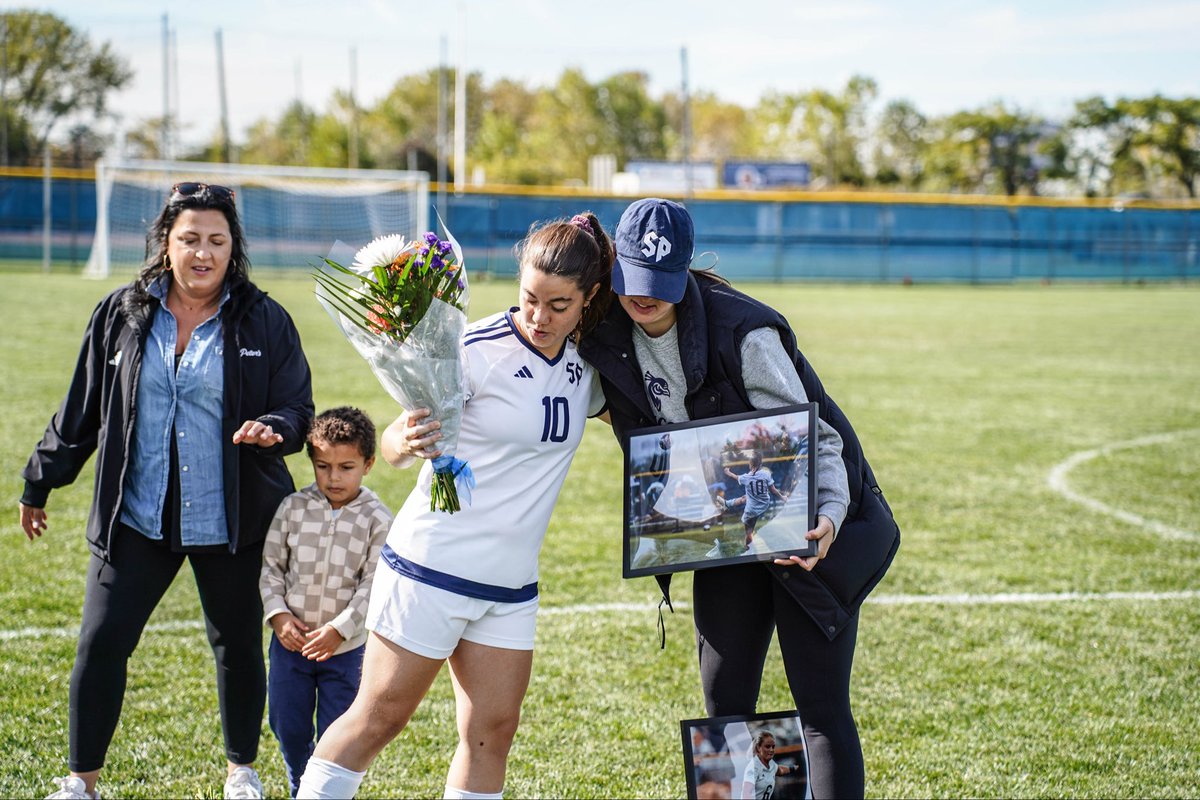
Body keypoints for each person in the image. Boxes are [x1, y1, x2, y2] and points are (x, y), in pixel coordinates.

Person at [576, 197, 900, 799]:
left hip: (801, 535)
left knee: (820, 711)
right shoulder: (606, 332)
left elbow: (816, 434)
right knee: (726, 709)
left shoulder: (743, 331)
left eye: (659, 283)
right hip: (721, 540)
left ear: (685, 269)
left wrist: (827, 518)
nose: (643, 297)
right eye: (631, 281)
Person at [296, 212, 614, 800]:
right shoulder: (470, 347)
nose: (540, 317)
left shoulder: (591, 369)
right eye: (530, 298)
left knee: (492, 732)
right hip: (431, 568)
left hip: (511, 585)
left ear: (588, 299)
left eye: (559, 305)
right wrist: (405, 442)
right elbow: (392, 444)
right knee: (379, 719)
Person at [18, 182, 314, 800]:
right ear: (165, 243)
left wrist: (275, 429)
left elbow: (297, 407)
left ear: (234, 248)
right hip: (136, 518)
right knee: (100, 645)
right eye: (189, 240)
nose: (202, 253)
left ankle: (241, 771)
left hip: (231, 521)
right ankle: (81, 783)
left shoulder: (265, 319)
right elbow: (83, 411)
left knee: (236, 646)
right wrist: (40, 481)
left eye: (216, 240)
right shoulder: (121, 314)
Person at [259, 406, 393, 798]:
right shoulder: (293, 508)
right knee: (287, 723)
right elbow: (271, 567)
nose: (333, 478)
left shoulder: (376, 518)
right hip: (291, 646)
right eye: (323, 466)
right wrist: (278, 614)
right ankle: (301, 786)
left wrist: (340, 629)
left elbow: (375, 585)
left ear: (368, 464)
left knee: (340, 732)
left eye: (346, 467)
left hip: (346, 651)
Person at [723, 451, 789, 550]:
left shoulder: (747, 477)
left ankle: (748, 548)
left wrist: (728, 472)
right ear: (761, 464)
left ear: (750, 464)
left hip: (752, 508)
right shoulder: (766, 474)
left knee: (748, 530)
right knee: (745, 498)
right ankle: (752, 543)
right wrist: (783, 497)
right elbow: (773, 491)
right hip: (763, 504)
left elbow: (736, 477)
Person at [740, 731, 798, 800]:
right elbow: (746, 793)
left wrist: (795, 768)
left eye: (773, 747)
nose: (771, 750)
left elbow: (780, 770)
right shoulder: (753, 768)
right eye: (767, 746)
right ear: (759, 748)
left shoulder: (770, 764)